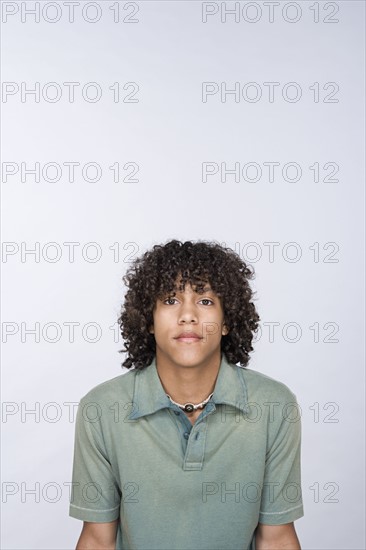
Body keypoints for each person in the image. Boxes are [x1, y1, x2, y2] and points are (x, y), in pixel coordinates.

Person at [69, 239, 304, 549]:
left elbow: (276, 539)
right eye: (170, 299)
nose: (188, 315)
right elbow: (98, 541)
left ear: (226, 321)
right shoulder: (101, 409)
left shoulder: (274, 406)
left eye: (205, 301)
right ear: (148, 321)